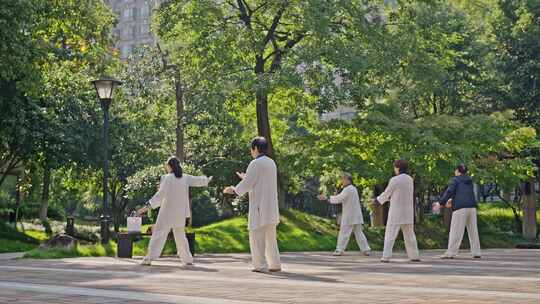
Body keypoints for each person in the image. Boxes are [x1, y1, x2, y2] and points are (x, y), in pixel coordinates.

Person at [137, 156, 212, 266]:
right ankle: (187, 259)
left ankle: (148, 258)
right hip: (180, 213)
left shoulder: (166, 178)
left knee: (158, 235)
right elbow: (199, 180)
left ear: (169, 166)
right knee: (181, 237)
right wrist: (207, 179)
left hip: (166, 213)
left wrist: (147, 206)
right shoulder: (185, 177)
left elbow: (160, 195)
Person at [223, 137, 281, 273]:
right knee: (270, 238)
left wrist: (233, 189)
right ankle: (275, 264)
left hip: (259, 206)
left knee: (256, 236)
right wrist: (246, 177)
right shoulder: (271, 163)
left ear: (255, 148)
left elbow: (248, 184)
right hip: (271, 206)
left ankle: (260, 265)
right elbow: (260, 180)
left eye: (252, 149)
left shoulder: (255, 163)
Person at [373, 159, 420, 263]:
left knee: (390, 234)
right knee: (410, 235)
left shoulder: (395, 179)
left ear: (398, 168)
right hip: (408, 211)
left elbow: (387, 193)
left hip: (396, 211)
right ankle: (414, 255)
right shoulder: (410, 179)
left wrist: (377, 200)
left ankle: (386, 256)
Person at [434, 164, 481, 259]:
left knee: (456, 231)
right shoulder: (469, 180)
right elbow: (464, 193)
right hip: (472, 207)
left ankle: (450, 252)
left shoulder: (455, 180)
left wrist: (440, 203)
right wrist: (453, 200)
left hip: (460, 209)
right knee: (473, 231)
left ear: (457, 171)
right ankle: (476, 252)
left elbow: (449, 191)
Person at [318, 172, 371, 256]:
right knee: (359, 233)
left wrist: (326, 198)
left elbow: (339, 199)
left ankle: (339, 250)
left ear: (347, 179)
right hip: (355, 215)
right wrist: (330, 198)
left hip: (350, 215)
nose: (341, 181)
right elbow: (341, 198)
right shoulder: (353, 188)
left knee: (344, 233)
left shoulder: (348, 189)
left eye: (342, 179)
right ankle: (366, 250)